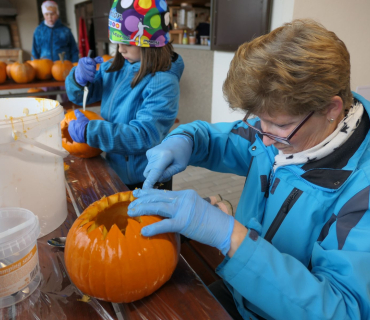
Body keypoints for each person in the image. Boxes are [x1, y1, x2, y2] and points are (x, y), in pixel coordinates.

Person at [127, 19, 370, 319]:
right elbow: (221, 139)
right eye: (257, 119)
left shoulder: (362, 193)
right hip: (239, 291)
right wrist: (184, 140)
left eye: (279, 126)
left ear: (331, 109)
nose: (263, 138)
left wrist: (232, 238)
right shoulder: (283, 132)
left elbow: (342, 311)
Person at [65, 0, 184, 190]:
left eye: (127, 42)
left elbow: (144, 136)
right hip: (115, 170)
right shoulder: (115, 67)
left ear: (149, 42)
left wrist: (92, 132)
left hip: (148, 179)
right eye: (118, 42)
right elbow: (79, 97)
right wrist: (78, 80)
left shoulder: (163, 83)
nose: (120, 49)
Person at [32, 1, 79, 103]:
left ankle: (70, 117)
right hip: (45, 72)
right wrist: (35, 72)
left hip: (64, 72)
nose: (50, 17)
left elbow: (74, 50)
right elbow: (34, 52)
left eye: (52, 14)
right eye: (46, 14)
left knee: (69, 100)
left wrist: (74, 67)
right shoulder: (38, 31)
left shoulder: (65, 31)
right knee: (47, 102)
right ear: (43, 15)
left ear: (57, 13)